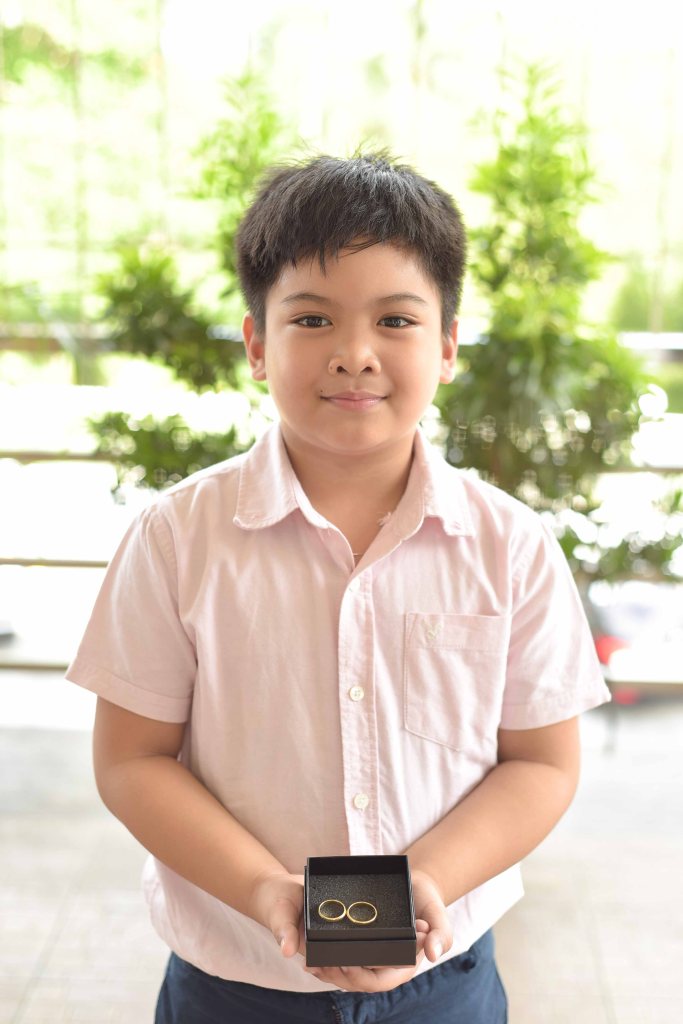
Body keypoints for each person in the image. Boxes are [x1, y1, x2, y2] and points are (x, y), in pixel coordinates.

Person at [66, 152, 610, 1024]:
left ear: (446, 345)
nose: (354, 355)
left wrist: (429, 879)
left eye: (394, 319)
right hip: (233, 984)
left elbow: (541, 762)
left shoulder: (509, 545)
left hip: (446, 982)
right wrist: (265, 890)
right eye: (312, 319)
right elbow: (132, 759)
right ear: (256, 344)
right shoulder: (177, 538)